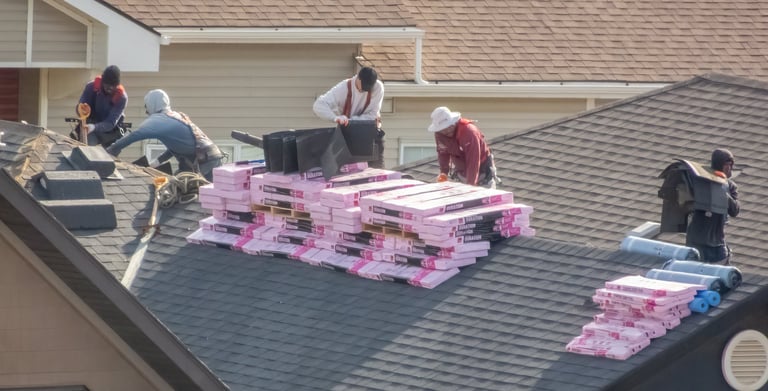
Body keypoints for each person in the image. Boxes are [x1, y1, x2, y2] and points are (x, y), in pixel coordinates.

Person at [106, 89, 224, 181]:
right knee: (179, 185)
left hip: (204, 161)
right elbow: (177, 146)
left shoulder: (159, 119)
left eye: (147, 106)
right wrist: (158, 161)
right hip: (209, 156)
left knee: (198, 195)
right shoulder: (175, 116)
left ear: (152, 104)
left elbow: (135, 135)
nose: (146, 111)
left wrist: (112, 149)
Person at [313, 66, 386, 168]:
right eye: (363, 86)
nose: (365, 90)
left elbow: (372, 115)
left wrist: (351, 121)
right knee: (347, 172)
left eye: (368, 88)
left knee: (377, 170)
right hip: (348, 136)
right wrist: (335, 118)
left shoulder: (378, 87)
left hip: (370, 133)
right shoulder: (343, 88)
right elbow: (319, 105)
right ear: (358, 78)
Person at [685, 148, 740, 264]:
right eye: (726, 165)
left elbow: (734, 210)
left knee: (723, 271)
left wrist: (723, 193)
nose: (728, 168)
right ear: (719, 165)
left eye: (730, 165)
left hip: (717, 240)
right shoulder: (702, 181)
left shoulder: (730, 186)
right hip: (698, 239)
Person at [427, 106, 499, 188]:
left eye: (448, 127)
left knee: (481, 198)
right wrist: (444, 173)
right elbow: (443, 152)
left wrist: (470, 187)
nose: (446, 131)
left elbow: (473, 161)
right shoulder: (440, 134)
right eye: (442, 129)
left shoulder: (469, 132)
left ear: (453, 122)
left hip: (481, 172)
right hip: (461, 172)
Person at [73, 65, 129, 147]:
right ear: (102, 81)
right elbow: (79, 108)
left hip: (110, 130)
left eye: (113, 85)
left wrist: (94, 127)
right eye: (107, 84)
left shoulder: (122, 98)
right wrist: (81, 109)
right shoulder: (91, 87)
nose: (110, 88)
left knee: (109, 155)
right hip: (90, 127)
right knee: (88, 150)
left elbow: (110, 123)